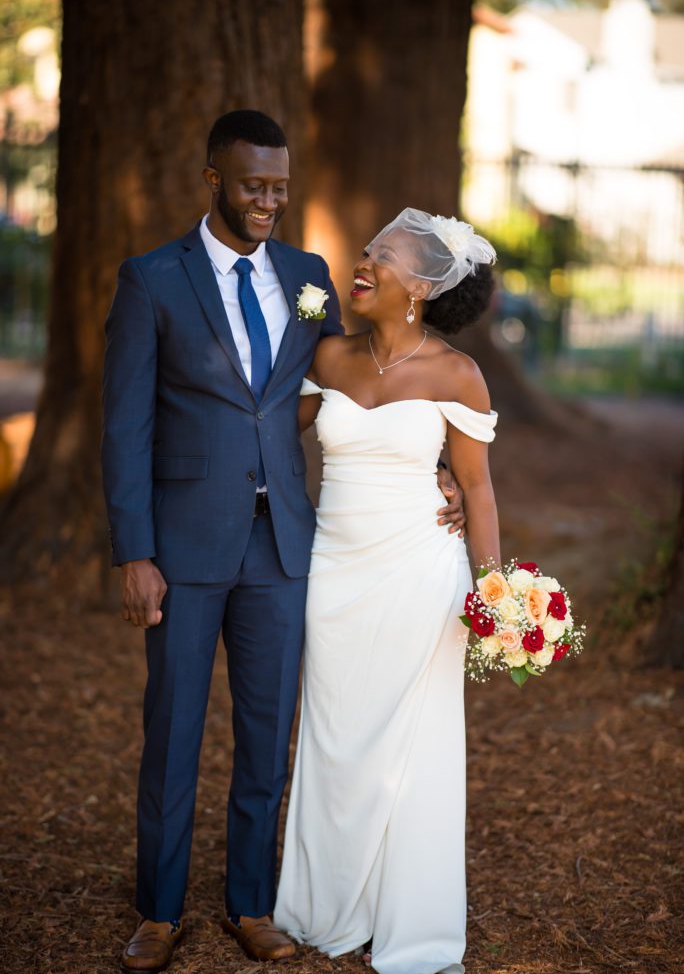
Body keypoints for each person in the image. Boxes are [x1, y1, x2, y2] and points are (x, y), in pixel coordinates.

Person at [102, 116, 465, 972]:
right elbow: (125, 427)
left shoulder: (307, 278)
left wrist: (437, 464)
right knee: (174, 731)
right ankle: (158, 911)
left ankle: (251, 904)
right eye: (252, 186)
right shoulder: (152, 280)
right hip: (182, 549)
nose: (269, 201)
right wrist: (134, 552)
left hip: (285, 549)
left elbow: (358, 375)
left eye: (278, 186)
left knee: (268, 737)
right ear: (213, 180)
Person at [274, 208, 500, 974]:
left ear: (422, 288)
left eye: (386, 257)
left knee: (416, 744)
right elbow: (273, 433)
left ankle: (408, 915)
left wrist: (496, 594)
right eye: (366, 251)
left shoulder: (455, 373)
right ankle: (329, 903)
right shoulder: (330, 355)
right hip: (334, 574)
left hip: (420, 574)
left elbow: (478, 487)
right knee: (335, 738)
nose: (363, 263)